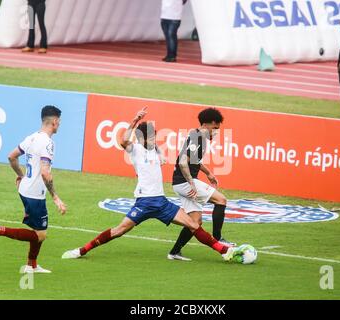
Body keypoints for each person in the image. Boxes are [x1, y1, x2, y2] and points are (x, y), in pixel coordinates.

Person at [62, 108, 242, 262]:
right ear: (141, 138)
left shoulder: (156, 150)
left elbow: (177, 158)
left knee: (194, 225)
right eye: (151, 137)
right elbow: (124, 141)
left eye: (155, 136)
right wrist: (135, 120)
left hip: (162, 203)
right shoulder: (135, 150)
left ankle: (225, 252)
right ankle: (81, 250)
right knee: (119, 230)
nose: (154, 139)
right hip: (144, 203)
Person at [0, 106, 67, 273]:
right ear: (55, 121)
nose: (60, 125)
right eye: (60, 122)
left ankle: (31, 265)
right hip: (35, 194)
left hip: (24, 189)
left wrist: (21, 176)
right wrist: (56, 197)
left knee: (38, 231)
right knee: (40, 235)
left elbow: (11, 156)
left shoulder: (32, 137)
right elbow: (45, 173)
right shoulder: (48, 143)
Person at [167, 108, 235, 261]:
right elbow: (183, 162)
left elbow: (194, 160)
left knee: (195, 222)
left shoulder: (198, 137)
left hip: (181, 182)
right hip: (185, 182)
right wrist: (191, 183)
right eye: (215, 128)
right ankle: (218, 238)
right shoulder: (197, 137)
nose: (216, 132)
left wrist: (208, 173)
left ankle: (174, 252)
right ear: (206, 124)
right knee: (221, 200)